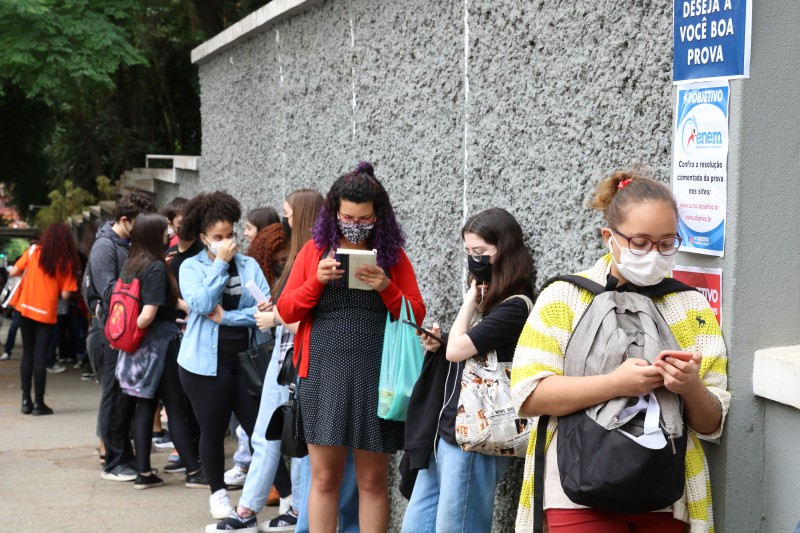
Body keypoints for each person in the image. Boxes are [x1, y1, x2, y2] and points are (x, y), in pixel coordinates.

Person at [511, 170, 730, 532]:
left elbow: (712, 424)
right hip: (573, 488)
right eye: (640, 243)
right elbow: (529, 394)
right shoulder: (564, 297)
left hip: (666, 496)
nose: (654, 254)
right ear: (609, 238)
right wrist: (618, 384)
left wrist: (690, 387)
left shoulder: (690, 308)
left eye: (666, 243)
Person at [277, 162, 425, 533]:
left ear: (378, 217)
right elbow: (285, 309)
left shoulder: (392, 256)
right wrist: (316, 281)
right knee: (324, 479)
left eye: (364, 218)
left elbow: (416, 313)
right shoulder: (314, 251)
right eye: (347, 216)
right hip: (322, 375)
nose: (355, 225)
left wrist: (385, 286)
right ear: (333, 212)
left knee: (373, 482)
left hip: (377, 380)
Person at [400, 207, 535, 532]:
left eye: (480, 253)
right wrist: (441, 341)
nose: (473, 261)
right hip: (447, 433)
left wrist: (470, 299)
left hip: (476, 438)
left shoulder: (516, 306)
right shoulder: (497, 304)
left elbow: (461, 349)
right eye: (468, 253)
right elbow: (466, 346)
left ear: (504, 251)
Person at [211, 189, 332, 532]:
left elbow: (312, 321)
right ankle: (279, 511)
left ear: (303, 217)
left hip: (295, 363)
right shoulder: (306, 256)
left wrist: (277, 317)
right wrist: (275, 309)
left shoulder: (314, 257)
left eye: (288, 213)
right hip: (288, 361)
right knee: (276, 439)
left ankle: (253, 513)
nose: (284, 220)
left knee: (274, 438)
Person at [177, 191, 272, 520]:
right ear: (203, 238)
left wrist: (230, 317)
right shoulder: (191, 267)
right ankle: (217, 493)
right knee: (213, 429)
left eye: (230, 235)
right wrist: (219, 264)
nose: (227, 242)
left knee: (260, 429)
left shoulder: (249, 265)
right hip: (203, 362)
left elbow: (264, 310)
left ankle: (287, 495)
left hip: (245, 358)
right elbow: (201, 305)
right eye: (218, 237)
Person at [111, 212, 208, 490]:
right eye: (164, 230)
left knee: (145, 404)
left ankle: (144, 473)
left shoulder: (133, 264)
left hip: (138, 350)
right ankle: (193, 469)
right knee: (176, 407)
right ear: (154, 234)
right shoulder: (153, 267)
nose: (169, 233)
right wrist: (142, 326)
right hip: (159, 346)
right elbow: (146, 314)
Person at [84, 191, 157, 481]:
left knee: (123, 400)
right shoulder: (104, 247)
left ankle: (122, 457)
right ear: (125, 221)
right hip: (108, 334)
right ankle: (113, 462)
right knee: (114, 400)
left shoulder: (125, 243)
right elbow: (111, 292)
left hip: (122, 334)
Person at [10, 222, 80, 415]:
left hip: (24, 308)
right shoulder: (66, 262)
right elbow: (66, 295)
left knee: (28, 354)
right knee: (41, 355)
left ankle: (26, 400)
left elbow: (14, 271)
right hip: (46, 311)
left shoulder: (34, 251)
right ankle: (39, 403)